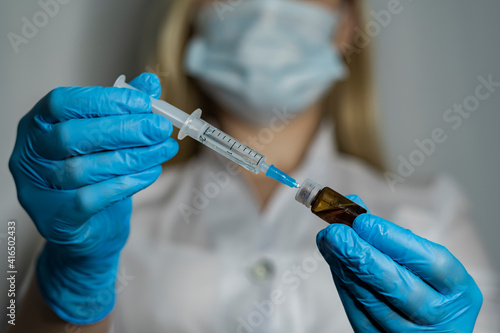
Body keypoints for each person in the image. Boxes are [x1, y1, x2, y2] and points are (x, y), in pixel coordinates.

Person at [7, 0, 498, 332]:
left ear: (346, 22)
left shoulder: (431, 213)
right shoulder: (102, 203)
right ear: (195, 14)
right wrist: (72, 283)